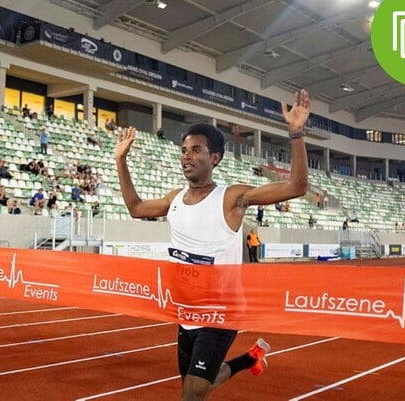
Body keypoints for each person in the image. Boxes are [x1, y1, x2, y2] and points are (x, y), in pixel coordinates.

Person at [114, 89, 310, 401]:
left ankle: (248, 359)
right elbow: (136, 207)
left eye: (195, 150)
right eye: (184, 150)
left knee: (191, 395)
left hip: (222, 311)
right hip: (186, 310)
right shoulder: (174, 198)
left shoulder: (232, 198)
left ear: (214, 158)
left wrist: (296, 132)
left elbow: (297, 187)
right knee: (195, 390)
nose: (186, 156)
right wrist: (120, 159)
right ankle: (250, 358)